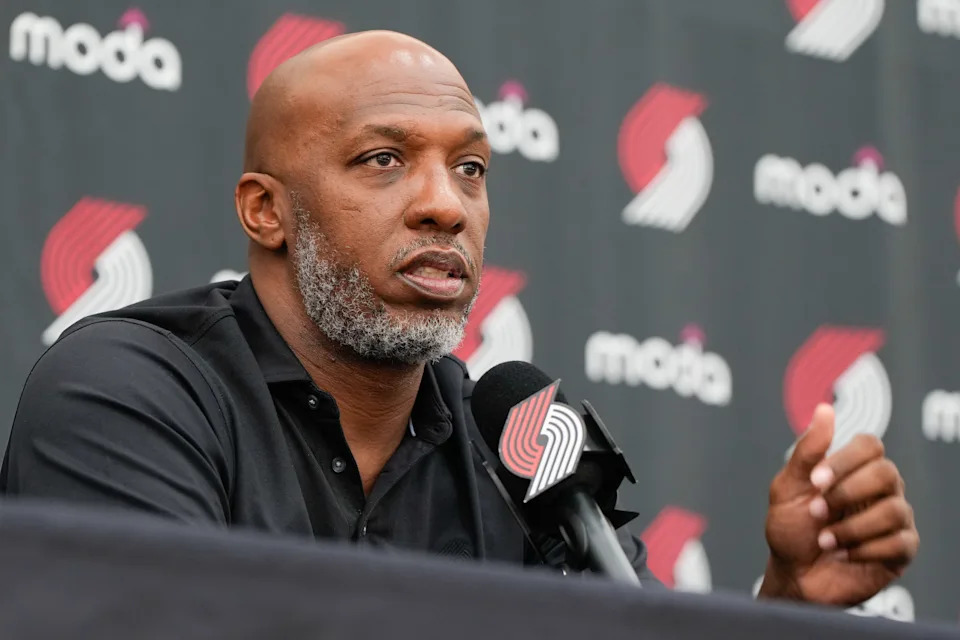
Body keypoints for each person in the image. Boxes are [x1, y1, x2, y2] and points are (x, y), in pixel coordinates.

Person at [1, 31, 917, 604]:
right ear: (264, 211)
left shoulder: (519, 448)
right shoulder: (129, 390)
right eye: (383, 160)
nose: (447, 206)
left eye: (471, 169)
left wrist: (788, 604)